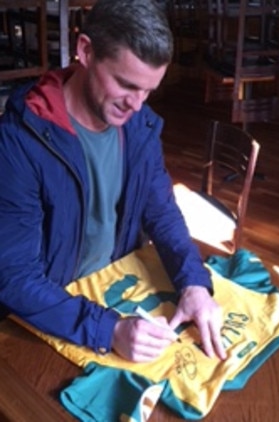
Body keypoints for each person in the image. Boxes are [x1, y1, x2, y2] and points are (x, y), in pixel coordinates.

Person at [0, 0, 226, 363]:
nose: (137, 105)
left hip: (114, 288)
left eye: (148, 91)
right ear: (85, 51)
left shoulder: (138, 126)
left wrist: (194, 283)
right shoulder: (20, 140)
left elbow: (162, 213)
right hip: (50, 314)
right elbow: (14, 275)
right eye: (125, 84)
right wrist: (108, 330)